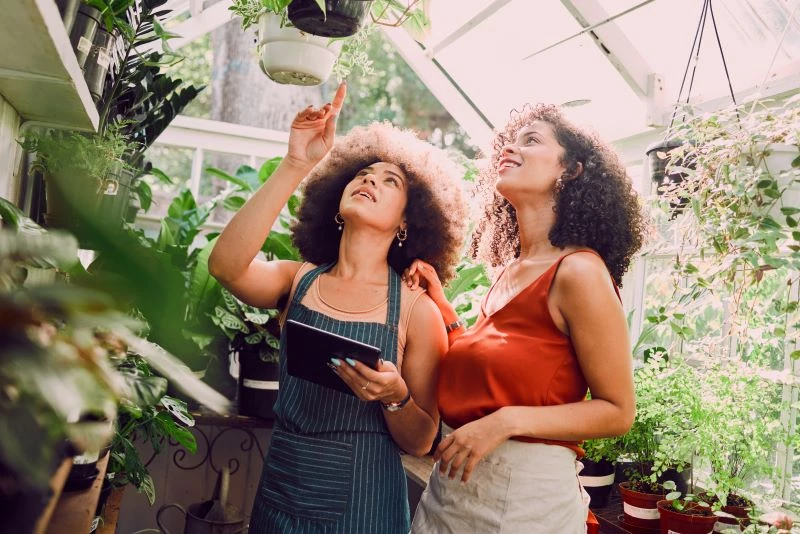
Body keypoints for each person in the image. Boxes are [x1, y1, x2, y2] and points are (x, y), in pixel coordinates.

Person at [207, 82, 468, 534]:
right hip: (281, 493)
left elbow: (422, 438)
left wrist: (394, 396)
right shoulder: (297, 279)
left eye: (391, 182)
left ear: (408, 222)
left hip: (365, 506)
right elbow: (225, 266)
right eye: (364, 173)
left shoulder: (416, 310)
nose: (370, 180)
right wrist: (295, 164)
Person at [405, 103, 647, 533]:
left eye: (531, 140)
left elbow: (618, 411)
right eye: (510, 142)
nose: (510, 149)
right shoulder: (509, 273)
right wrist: (444, 309)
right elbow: (497, 371)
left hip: (524, 505)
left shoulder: (579, 272)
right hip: (450, 497)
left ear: (570, 170)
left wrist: (506, 421)